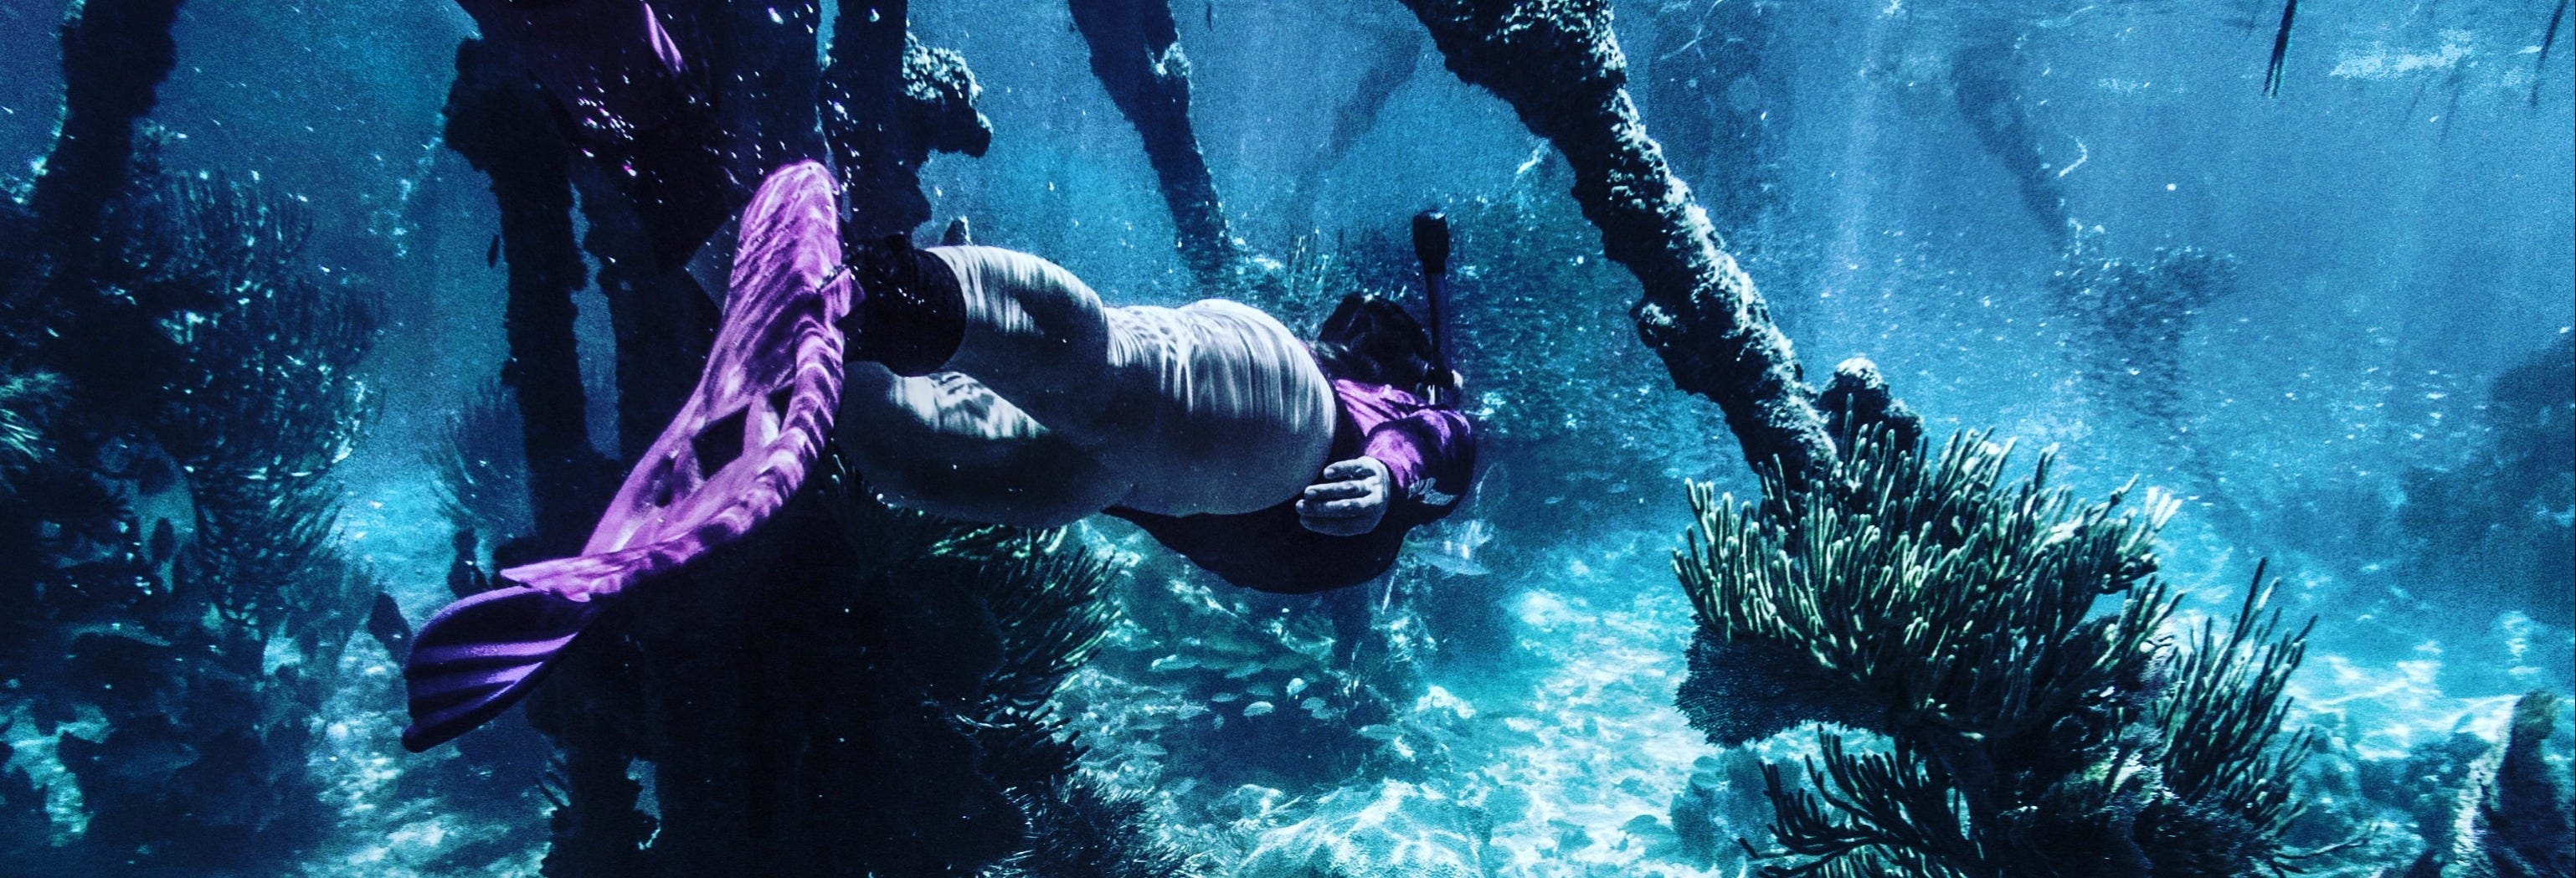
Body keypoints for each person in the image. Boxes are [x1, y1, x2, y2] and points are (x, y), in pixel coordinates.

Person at [400, 1, 1477, 752]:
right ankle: (880, 288)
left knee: (897, 446)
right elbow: (1449, 442)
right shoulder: (1389, 410)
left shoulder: (1380, 493)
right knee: (1116, 378)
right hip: (1281, 428)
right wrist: (1386, 467)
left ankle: (683, 171)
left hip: (1136, 492)